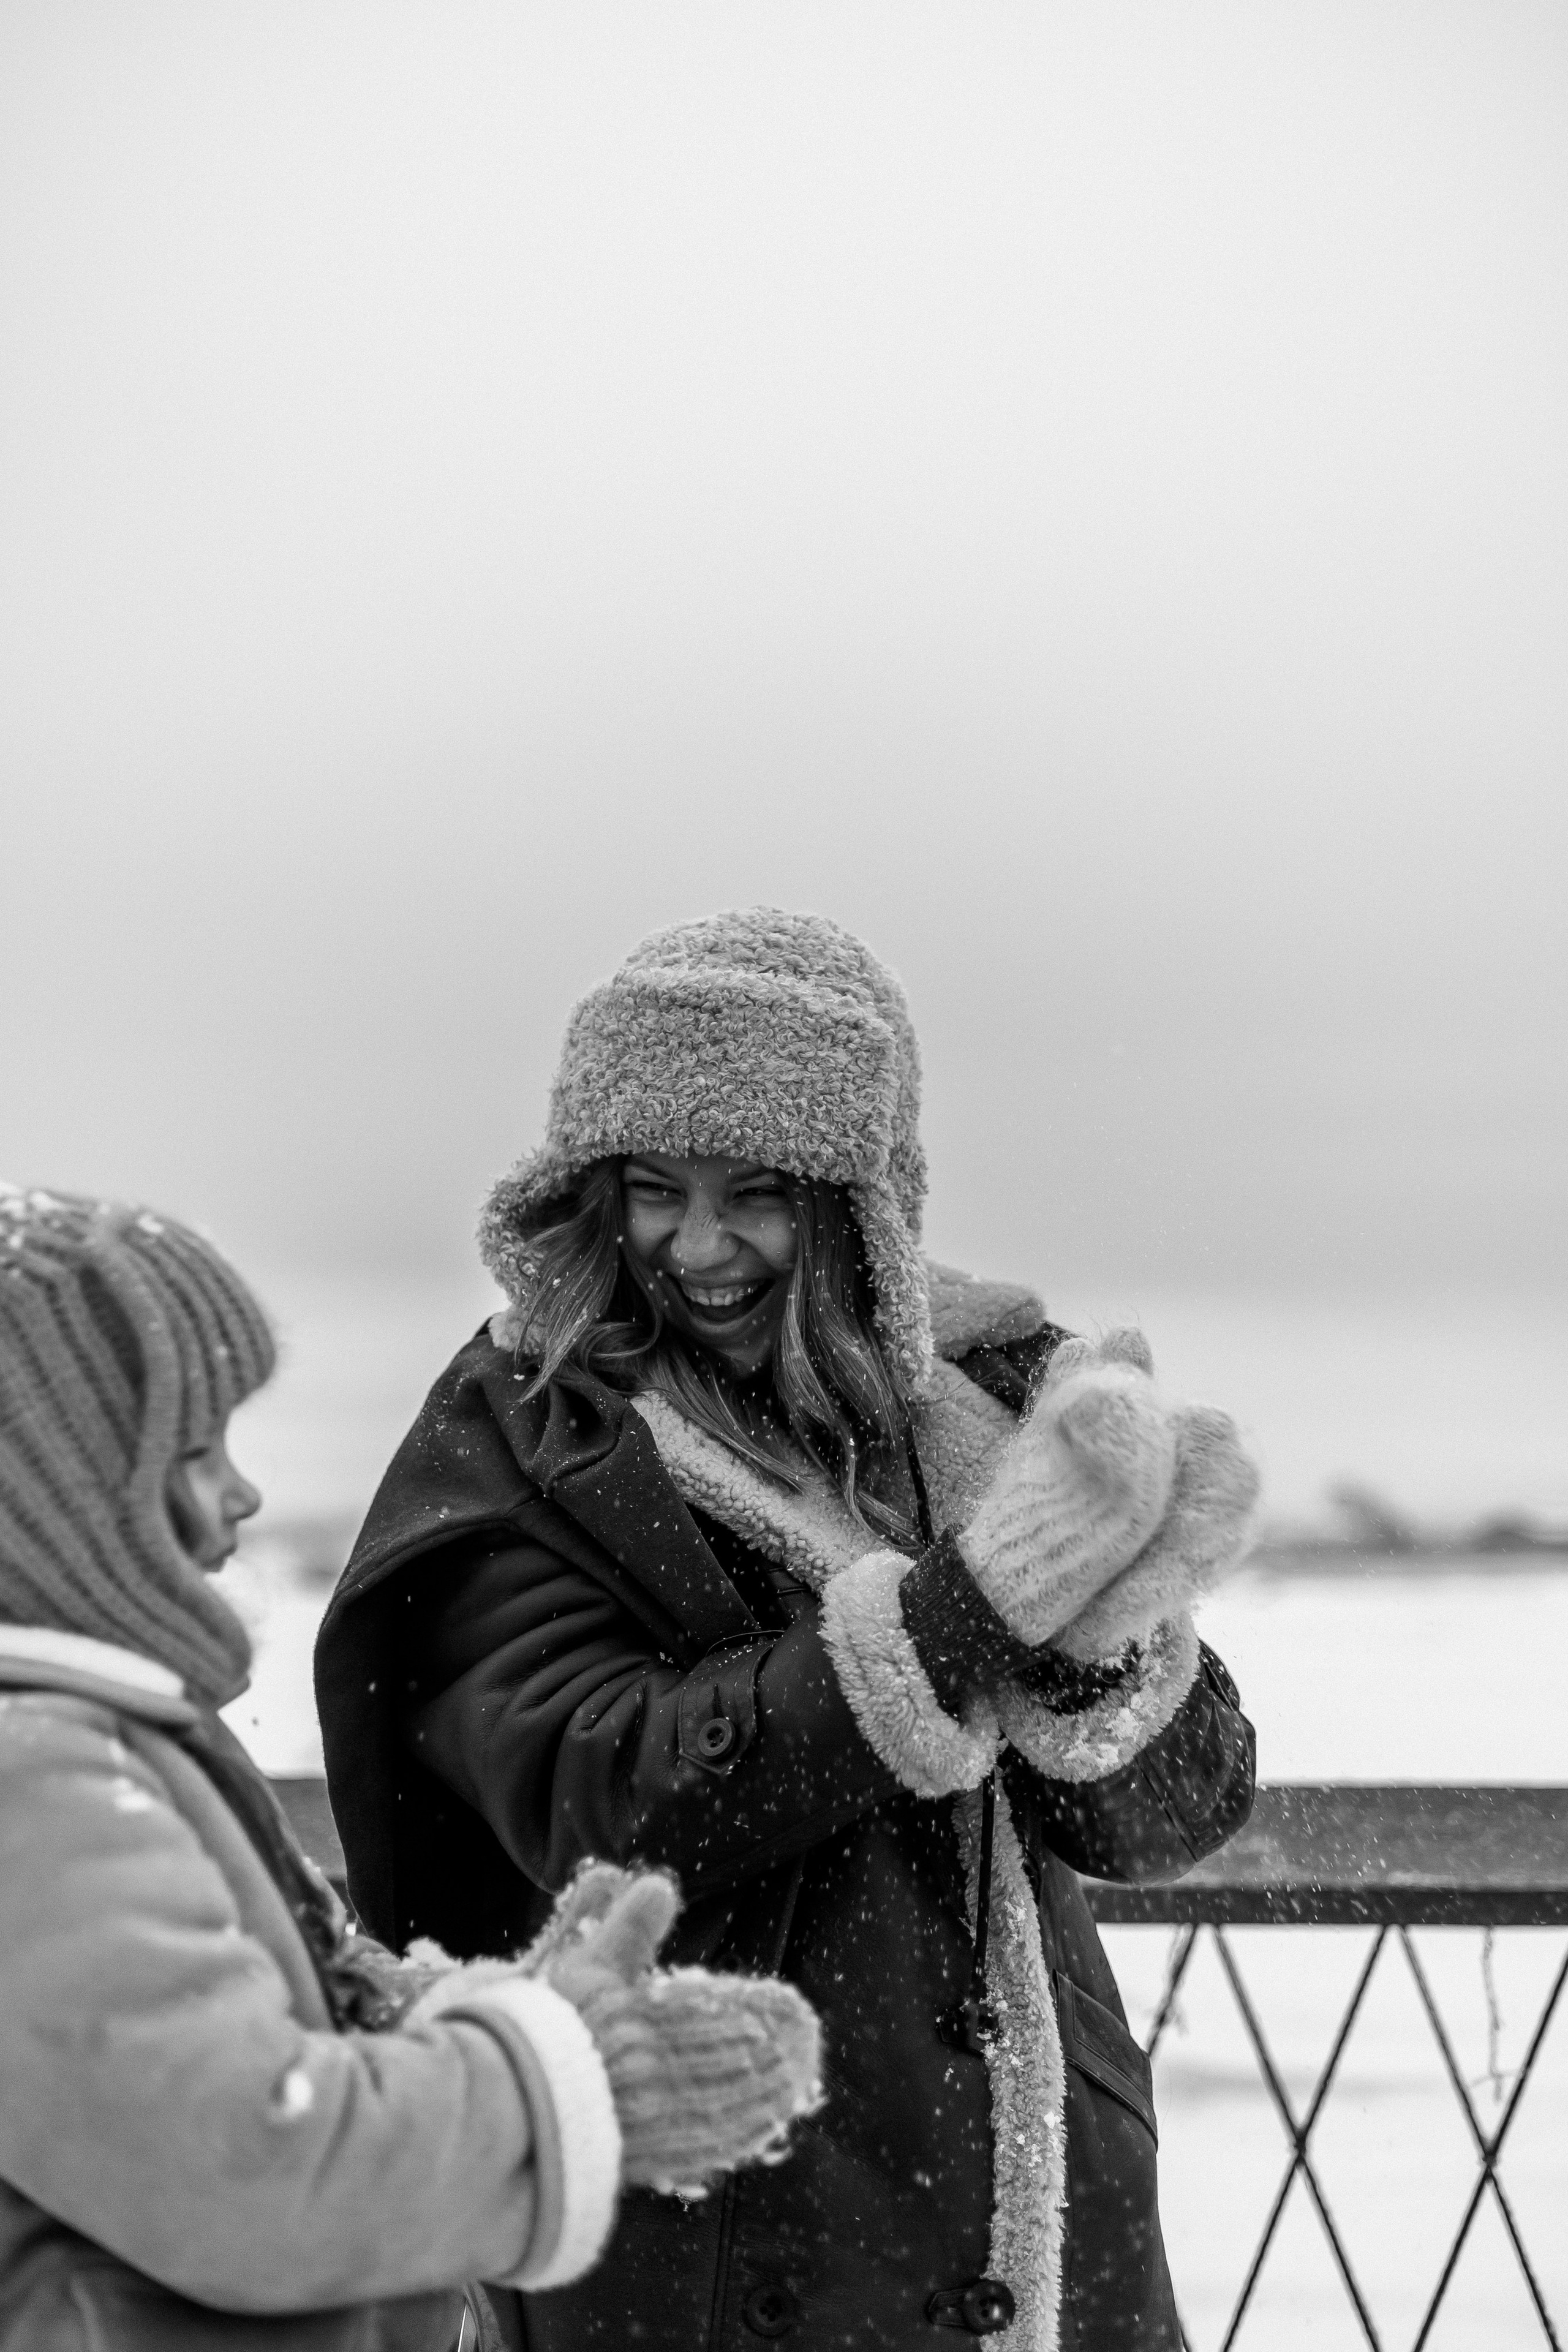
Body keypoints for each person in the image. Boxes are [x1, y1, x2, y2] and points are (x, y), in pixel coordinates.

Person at [316, 908, 1261, 2352]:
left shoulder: (984, 1403)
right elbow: (601, 1799)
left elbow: (1167, 1817)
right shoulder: (530, 1439)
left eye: (755, 1191)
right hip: (714, 2237)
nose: (696, 1247)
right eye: (652, 1187)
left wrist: (1103, 1621)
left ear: (859, 1198)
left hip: (1039, 2233)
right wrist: (960, 1616)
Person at [0, 1185, 821, 2352]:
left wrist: (496, 2011)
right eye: (191, 1450)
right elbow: (258, 2174)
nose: (242, 1493)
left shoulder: (100, 1740)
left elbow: (255, 2024)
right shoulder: (42, 1786)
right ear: (55, 1503)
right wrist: (563, 2077)